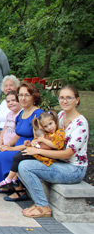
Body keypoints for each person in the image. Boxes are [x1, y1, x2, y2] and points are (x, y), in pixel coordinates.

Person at [18, 85, 89, 218]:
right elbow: (46, 136)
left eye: (69, 98)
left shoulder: (80, 124)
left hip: (74, 169)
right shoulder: (60, 116)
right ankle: (39, 203)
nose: (65, 101)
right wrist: (35, 142)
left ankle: (43, 206)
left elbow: (68, 154)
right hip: (58, 162)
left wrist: (38, 152)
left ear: (77, 100)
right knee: (20, 159)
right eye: (62, 97)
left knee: (25, 166)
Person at [0, 111, 65, 189]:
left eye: (50, 124)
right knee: (18, 156)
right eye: (45, 126)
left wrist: (42, 139)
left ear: (55, 122)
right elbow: (39, 143)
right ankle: (13, 180)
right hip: (40, 152)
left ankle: (9, 180)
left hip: (48, 156)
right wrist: (29, 144)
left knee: (18, 157)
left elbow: (57, 145)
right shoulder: (47, 134)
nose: (49, 127)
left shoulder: (59, 132)